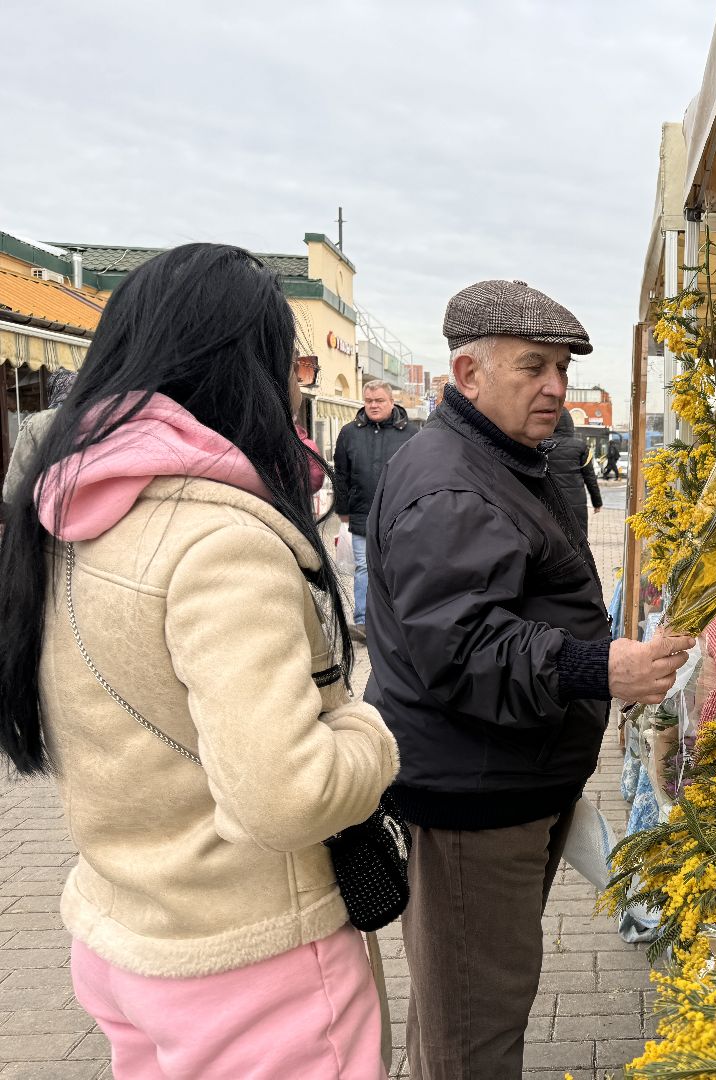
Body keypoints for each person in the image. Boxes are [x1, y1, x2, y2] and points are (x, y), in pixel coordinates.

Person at [0, 243, 400, 1079]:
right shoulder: (220, 540)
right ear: (246, 370)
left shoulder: (67, 506)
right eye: (284, 360)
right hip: (253, 965)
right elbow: (287, 796)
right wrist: (368, 734)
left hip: (126, 937)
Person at [363, 279, 693, 1078]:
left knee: (470, 1005)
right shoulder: (450, 483)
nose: (555, 387)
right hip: (474, 798)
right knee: (475, 1024)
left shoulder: (505, 458)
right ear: (468, 375)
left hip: (510, 778)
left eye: (563, 369)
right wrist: (598, 667)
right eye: (533, 367)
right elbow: (465, 648)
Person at [333, 380, 416, 643]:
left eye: (379, 401)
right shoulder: (349, 433)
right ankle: (364, 623)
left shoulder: (411, 434)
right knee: (364, 569)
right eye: (369, 401)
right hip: (361, 515)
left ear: (391, 401)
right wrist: (343, 512)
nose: (373, 406)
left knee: (399, 569)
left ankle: (398, 621)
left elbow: (418, 476)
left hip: (400, 517)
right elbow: (341, 476)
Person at [2, 368, 76, 512]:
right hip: (88, 509)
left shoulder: (36, 424)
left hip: (46, 511)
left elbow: (13, 489)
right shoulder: (97, 417)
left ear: (53, 390)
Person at [550, 409, 604, 538]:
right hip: (575, 503)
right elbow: (590, 478)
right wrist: (597, 503)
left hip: (549, 501)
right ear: (570, 425)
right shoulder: (580, 447)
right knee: (578, 539)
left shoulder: (542, 446)